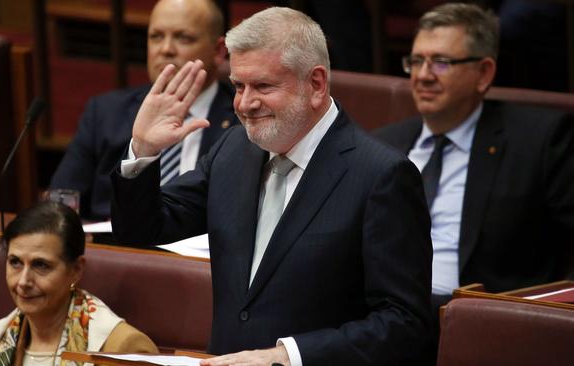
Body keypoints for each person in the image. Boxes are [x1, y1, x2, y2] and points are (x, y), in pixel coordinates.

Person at [111, 7, 432, 365]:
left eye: (263, 86)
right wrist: (142, 150)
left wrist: (286, 356)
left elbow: (404, 323)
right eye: (238, 86)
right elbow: (141, 229)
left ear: (316, 84)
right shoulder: (234, 150)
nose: (245, 104)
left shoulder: (381, 176)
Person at [373, 0, 574, 335]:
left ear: (484, 73)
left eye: (440, 63)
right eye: (417, 61)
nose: (423, 76)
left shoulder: (539, 141)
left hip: (480, 322)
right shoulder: (384, 144)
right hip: (382, 315)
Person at [49, 0, 237, 221]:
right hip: (114, 245)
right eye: (156, 36)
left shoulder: (240, 118)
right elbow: (60, 200)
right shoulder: (105, 112)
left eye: (183, 37)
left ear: (218, 51)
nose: (166, 49)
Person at [0, 201, 158, 365]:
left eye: (41, 265)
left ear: (76, 270)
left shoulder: (123, 349)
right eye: (15, 262)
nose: (23, 281)